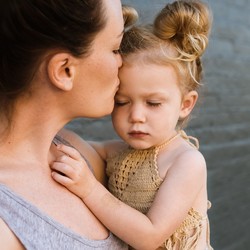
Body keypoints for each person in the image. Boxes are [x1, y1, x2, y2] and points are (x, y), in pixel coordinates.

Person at [51, 0, 214, 249]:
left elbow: (149, 236)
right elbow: (70, 142)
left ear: (185, 104)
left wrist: (90, 189)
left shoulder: (186, 162)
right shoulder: (118, 153)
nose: (136, 115)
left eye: (153, 103)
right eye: (122, 101)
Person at [0, 0, 137, 249]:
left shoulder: (74, 151)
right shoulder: (6, 225)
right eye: (116, 49)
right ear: (64, 70)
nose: (122, 63)